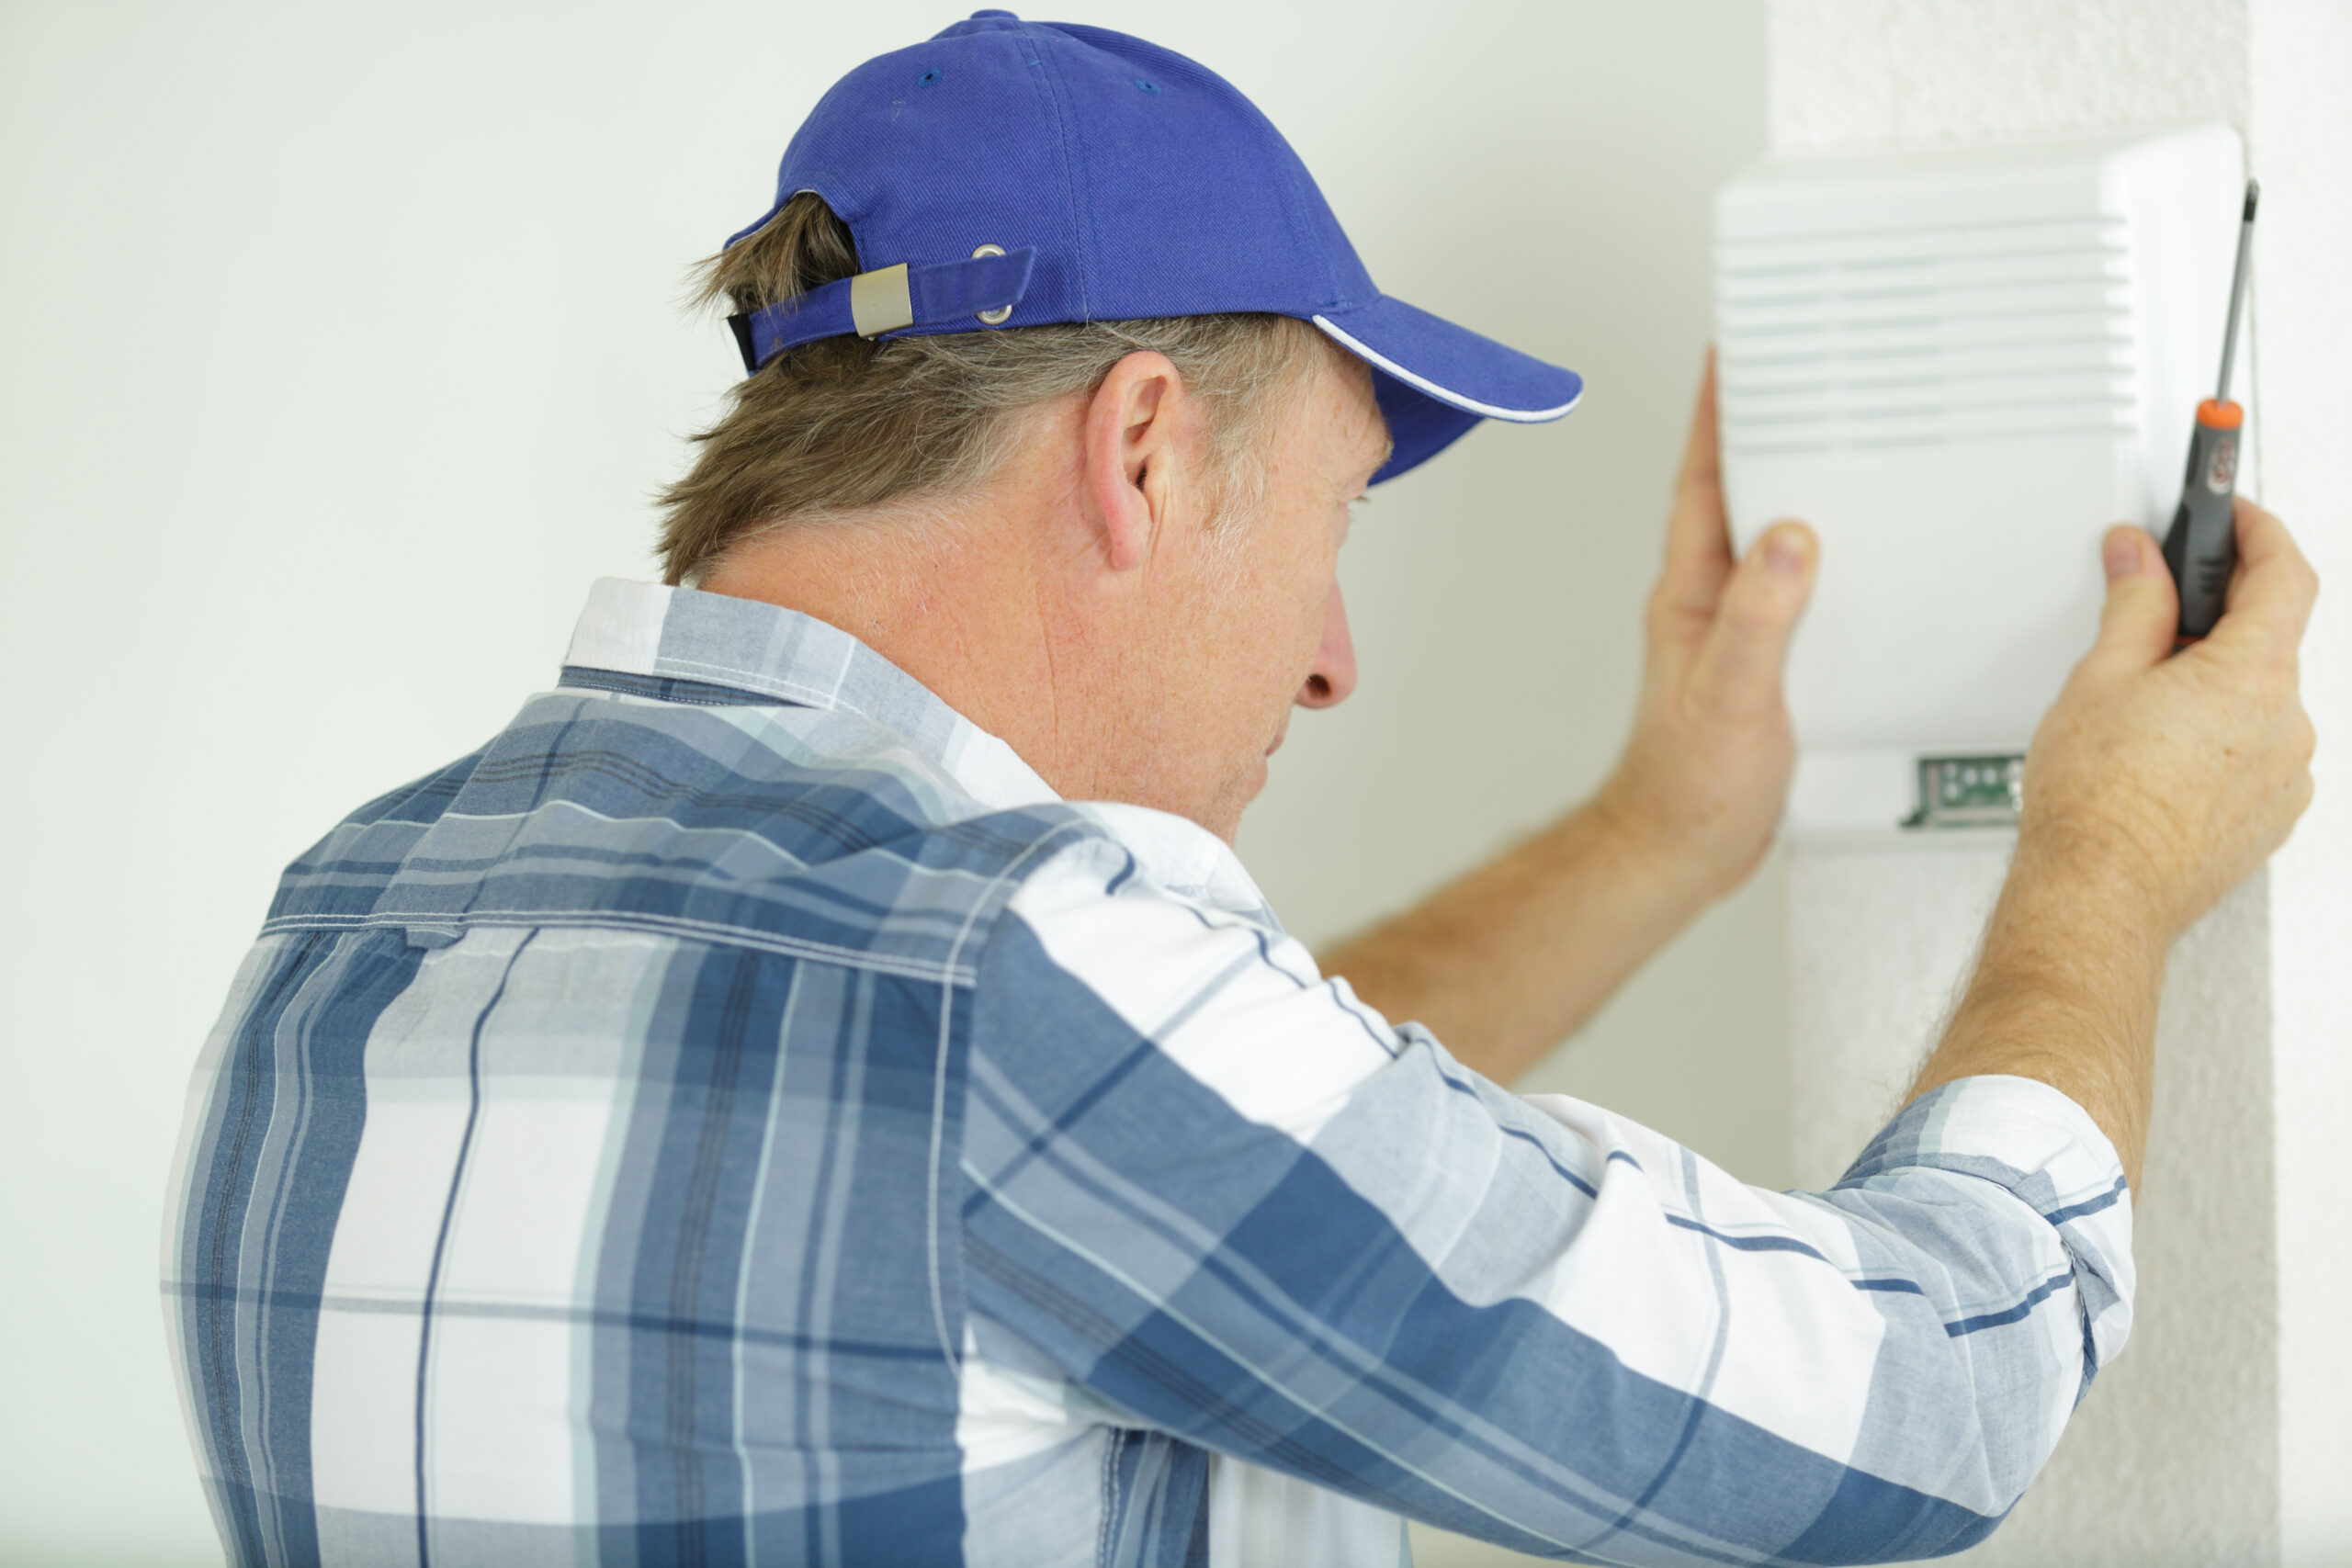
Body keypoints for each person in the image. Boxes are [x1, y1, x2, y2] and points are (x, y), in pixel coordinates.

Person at [161, 13, 2317, 1567]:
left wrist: (1659, 832)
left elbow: (1161, 1161)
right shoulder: (1017, 981)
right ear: (1139, 444)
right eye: (1335, 517)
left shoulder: (349, 919)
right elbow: (1917, 1409)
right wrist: (2107, 850)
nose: (1333, 655)